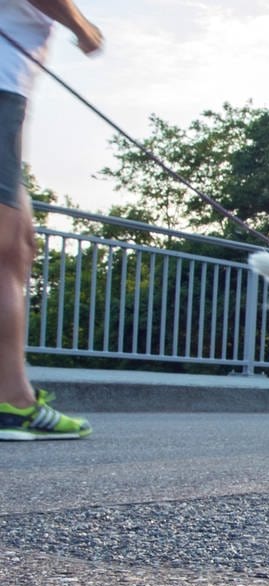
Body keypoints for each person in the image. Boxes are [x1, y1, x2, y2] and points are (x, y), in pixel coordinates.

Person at [0, 0, 100, 440]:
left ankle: (13, 397)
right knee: (3, 249)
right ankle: (12, 404)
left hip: (12, 85)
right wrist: (82, 26)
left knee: (19, 246)